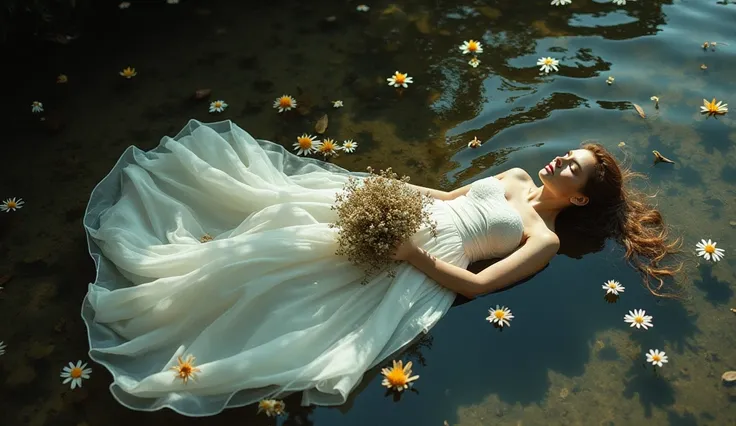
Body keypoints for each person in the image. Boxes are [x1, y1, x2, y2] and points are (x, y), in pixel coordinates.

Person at [82, 120, 680, 416]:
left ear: (578, 198)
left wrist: (409, 255)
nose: (558, 161)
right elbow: (447, 198)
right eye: (566, 155)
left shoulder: (542, 238)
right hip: (405, 218)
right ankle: (186, 283)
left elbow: (476, 283)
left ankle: (194, 333)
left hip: (422, 263)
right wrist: (383, 190)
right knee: (281, 224)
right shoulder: (516, 176)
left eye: (571, 168)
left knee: (294, 297)